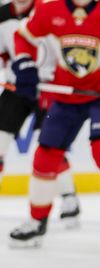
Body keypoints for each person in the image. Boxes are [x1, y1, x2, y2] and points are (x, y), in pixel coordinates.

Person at [9, 0, 100, 252]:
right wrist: (24, 62)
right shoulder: (49, 7)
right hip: (67, 95)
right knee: (46, 154)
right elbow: (24, 36)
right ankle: (36, 222)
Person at [0, 0, 80, 226]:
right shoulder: (2, 15)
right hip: (18, 87)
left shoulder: (48, 10)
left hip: (49, 88)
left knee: (48, 145)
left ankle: (69, 198)